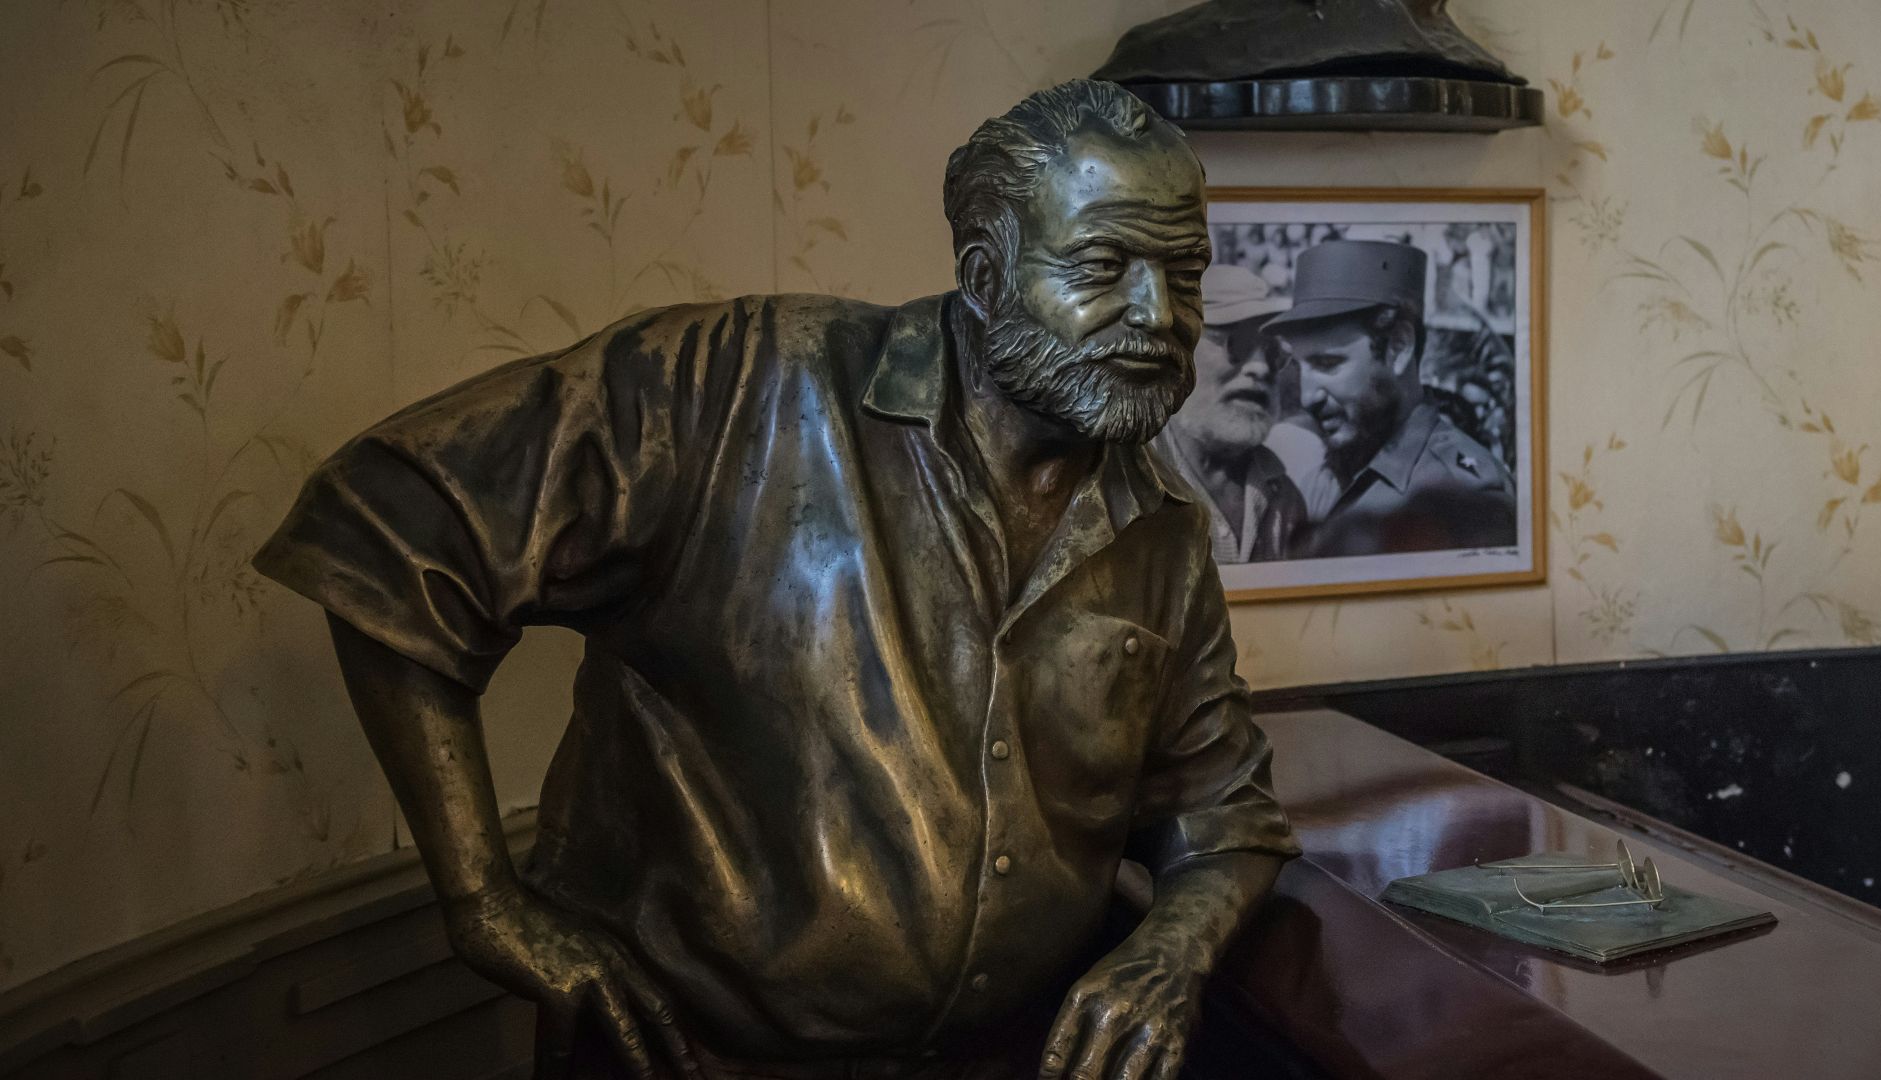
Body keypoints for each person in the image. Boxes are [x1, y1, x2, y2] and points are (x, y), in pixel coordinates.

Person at [254, 80, 1297, 1080]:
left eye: (1186, 273)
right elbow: (389, 527)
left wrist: (1171, 955)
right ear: (985, 278)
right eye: (1105, 265)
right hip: (692, 1060)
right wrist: (483, 900)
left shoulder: (1163, 528)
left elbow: (1223, 814)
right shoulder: (735, 383)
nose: (1161, 313)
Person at [1272, 239, 1517, 557]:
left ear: (1398, 347)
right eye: (1298, 366)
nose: (1307, 397)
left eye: (1328, 363)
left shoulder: (1467, 497)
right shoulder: (1324, 479)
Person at [1156, 264, 1307, 563]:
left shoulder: (1285, 499)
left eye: (1273, 352)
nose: (1261, 367)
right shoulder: (1125, 486)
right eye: (1239, 342)